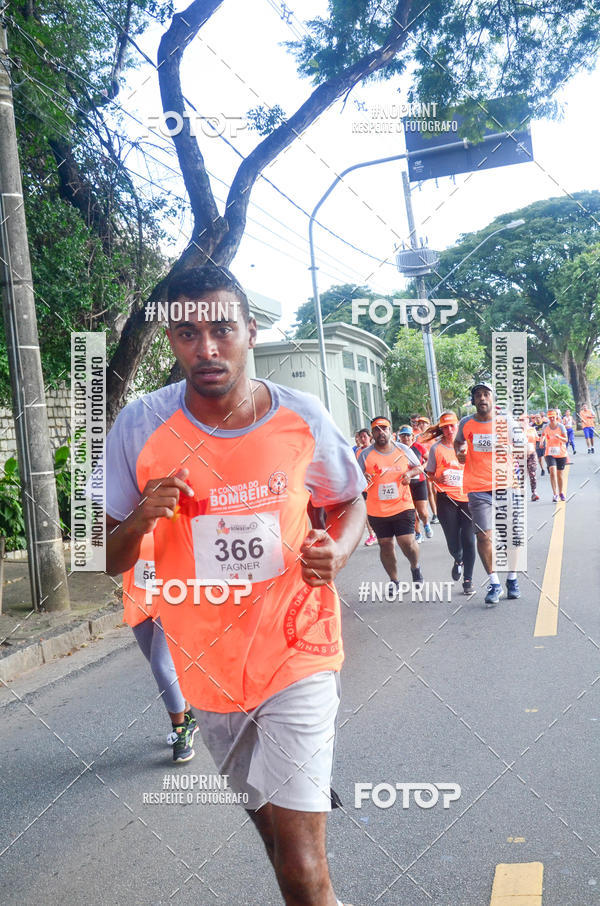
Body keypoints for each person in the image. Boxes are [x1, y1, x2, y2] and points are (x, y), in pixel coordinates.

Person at [104, 264, 366, 906]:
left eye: (222, 329)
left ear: (251, 332)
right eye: (188, 333)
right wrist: (141, 518)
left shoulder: (300, 417)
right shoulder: (140, 426)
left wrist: (338, 546)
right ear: (172, 341)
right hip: (209, 671)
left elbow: (350, 500)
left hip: (298, 650)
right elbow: (109, 558)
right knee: (277, 844)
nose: (207, 347)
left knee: (303, 868)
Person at [122, 533, 199, 762]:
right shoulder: (125, 504)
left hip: (176, 594)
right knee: (164, 669)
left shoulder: (180, 502)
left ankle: (180, 729)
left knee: (161, 665)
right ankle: (188, 715)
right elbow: (99, 550)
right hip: (139, 595)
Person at [455, 381, 521, 608]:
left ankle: (512, 578)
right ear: (473, 400)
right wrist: (460, 453)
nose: (482, 398)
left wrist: (511, 449)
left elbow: (524, 446)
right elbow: (458, 443)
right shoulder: (465, 423)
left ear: (492, 398)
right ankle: (494, 582)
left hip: (505, 485)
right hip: (477, 487)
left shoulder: (506, 422)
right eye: (478, 395)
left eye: (486, 394)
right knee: (483, 536)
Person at [356, 416, 424, 589]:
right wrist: (363, 477)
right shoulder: (365, 455)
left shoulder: (402, 449)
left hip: (403, 504)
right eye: (376, 429)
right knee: (385, 545)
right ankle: (394, 580)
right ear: (372, 434)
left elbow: (419, 467)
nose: (380, 432)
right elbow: (356, 478)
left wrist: (409, 474)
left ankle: (415, 567)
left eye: (384, 428)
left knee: (406, 542)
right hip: (377, 509)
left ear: (390, 431)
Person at [424, 411, 476, 595]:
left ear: (458, 427)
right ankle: (458, 559)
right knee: (453, 541)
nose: (449, 430)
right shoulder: (436, 449)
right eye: (445, 427)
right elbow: (429, 475)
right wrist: (440, 476)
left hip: (468, 498)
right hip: (446, 499)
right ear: (441, 429)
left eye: (452, 425)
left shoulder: (469, 446)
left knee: (470, 540)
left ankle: (468, 580)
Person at [396, 424, 432, 542]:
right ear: (399, 437)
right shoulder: (397, 449)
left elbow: (429, 459)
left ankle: (426, 524)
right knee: (411, 511)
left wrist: (422, 467)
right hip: (405, 484)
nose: (405, 438)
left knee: (423, 511)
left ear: (412, 436)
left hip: (419, 481)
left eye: (408, 435)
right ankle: (418, 533)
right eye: (403, 436)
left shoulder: (418, 447)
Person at [414, 416, 439, 524]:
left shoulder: (434, 437)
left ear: (428, 425)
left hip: (436, 464)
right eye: (420, 423)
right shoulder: (417, 438)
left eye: (424, 423)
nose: (422, 425)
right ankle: (435, 514)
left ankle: (439, 511)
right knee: (429, 490)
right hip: (425, 465)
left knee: (436, 490)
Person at [354, 428, 377, 546]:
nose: (362, 439)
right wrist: (363, 474)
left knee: (377, 510)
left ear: (370, 437)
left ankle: (382, 531)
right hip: (364, 487)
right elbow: (357, 469)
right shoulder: (358, 451)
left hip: (377, 485)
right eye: (360, 437)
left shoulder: (375, 450)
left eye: (365, 436)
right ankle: (372, 535)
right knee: (366, 513)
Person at [540, 409, 569, 501]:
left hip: (561, 452)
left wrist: (559, 437)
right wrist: (541, 441)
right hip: (550, 452)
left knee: (560, 474)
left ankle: (561, 492)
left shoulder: (561, 426)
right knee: (552, 472)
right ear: (548, 417)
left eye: (553, 416)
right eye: (550, 417)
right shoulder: (545, 426)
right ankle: (555, 494)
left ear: (556, 416)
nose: (552, 418)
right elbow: (543, 436)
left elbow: (566, 440)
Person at [522, 415, 540, 502]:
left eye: (524, 419)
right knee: (520, 475)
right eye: (520, 420)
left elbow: (537, 439)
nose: (522, 421)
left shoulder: (532, 429)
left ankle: (534, 492)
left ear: (527, 420)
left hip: (531, 453)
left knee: (532, 473)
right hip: (520, 455)